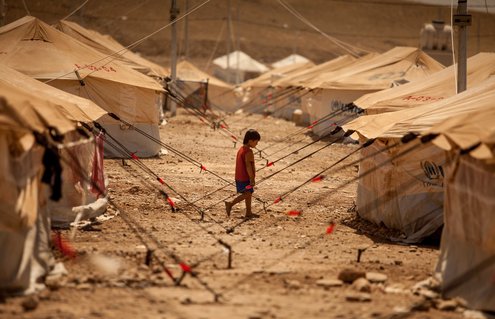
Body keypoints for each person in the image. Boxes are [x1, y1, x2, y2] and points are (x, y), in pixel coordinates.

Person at [225, 129, 261, 219]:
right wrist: (252, 179)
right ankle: (230, 204)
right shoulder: (248, 152)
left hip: (239, 177)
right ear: (250, 141)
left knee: (248, 193)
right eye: (256, 142)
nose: (257, 144)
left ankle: (248, 212)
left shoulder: (241, 149)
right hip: (245, 178)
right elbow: (248, 166)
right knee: (247, 194)